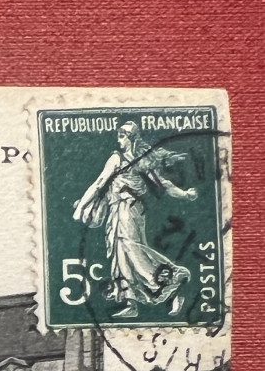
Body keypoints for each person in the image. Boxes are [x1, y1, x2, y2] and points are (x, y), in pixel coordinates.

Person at [72, 120, 198, 319]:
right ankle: (130, 302)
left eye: (122, 136)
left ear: (131, 138)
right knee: (119, 254)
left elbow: (161, 183)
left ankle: (172, 284)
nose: (119, 139)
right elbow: (99, 185)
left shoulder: (131, 160)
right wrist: (82, 205)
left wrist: (184, 194)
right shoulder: (118, 158)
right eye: (119, 135)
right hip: (118, 210)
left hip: (129, 209)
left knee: (132, 248)